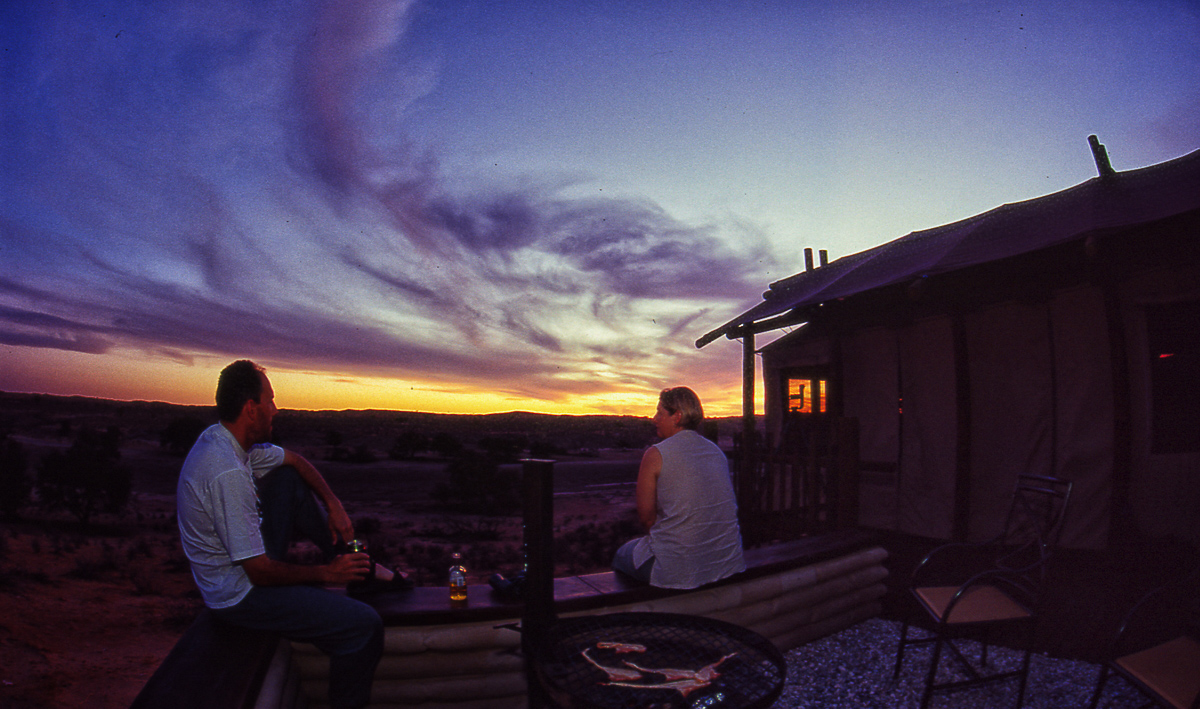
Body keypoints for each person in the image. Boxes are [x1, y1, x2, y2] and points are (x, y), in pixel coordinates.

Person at [176, 360, 405, 709]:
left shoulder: (227, 441)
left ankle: (358, 569)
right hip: (239, 595)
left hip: (248, 569)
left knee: (287, 479)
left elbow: (296, 461)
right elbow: (259, 573)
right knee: (363, 626)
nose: (276, 409)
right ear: (251, 409)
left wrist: (333, 504)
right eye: (270, 400)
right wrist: (326, 575)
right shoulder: (225, 472)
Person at [612, 386, 745, 589]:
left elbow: (646, 518)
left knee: (622, 554)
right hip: (728, 562)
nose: (654, 418)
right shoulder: (716, 451)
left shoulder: (656, 454)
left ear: (677, 416)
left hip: (681, 571)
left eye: (659, 412)